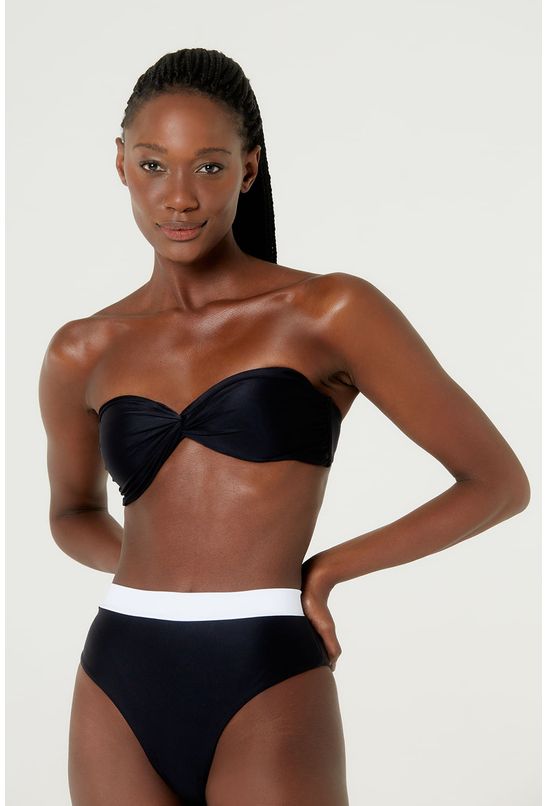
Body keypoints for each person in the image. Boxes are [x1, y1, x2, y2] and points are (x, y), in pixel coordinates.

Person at [38, 47, 531, 806]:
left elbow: (497, 484)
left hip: (265, 660)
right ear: (120, 164)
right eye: (153, 164)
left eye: (208, 166)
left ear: (249, 168)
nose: (179, 197)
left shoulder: (328, 312)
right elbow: (71, 514)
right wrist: (150, 567)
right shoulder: (82, 349)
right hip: (118, 666)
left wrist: (327, 569)